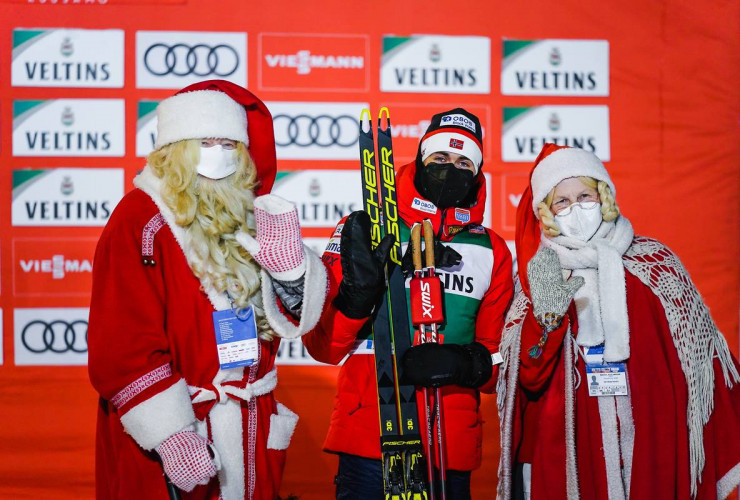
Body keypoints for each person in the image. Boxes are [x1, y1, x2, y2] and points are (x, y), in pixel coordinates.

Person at [88, 80, 328, 500]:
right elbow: (120, 342)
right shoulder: (142, 220)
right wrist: (171, 433)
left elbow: (294, 325)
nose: (218, 152)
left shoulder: (252, 217)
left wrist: (293, 273)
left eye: (229, 143)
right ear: (175, 148)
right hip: (183, 437)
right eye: (205, 140)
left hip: (249, 427)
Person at [496, 143, 740, 499]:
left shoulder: (655, 263)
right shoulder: (541, 273)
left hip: (653, 435)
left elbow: (703, 362)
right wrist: (545, 319)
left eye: (584, 194)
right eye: (561, 201)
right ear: (545, 211)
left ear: (604, 195)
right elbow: (528, 377)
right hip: (573, 444)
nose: (575, 207)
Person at [303, 108, 514, 498]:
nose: (451, 169)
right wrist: (355, 300)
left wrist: (468, 363)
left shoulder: (491, 250)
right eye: (439, 159)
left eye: (464, 161)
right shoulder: (366, 229)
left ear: (478, 173)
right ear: (419, 161)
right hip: (370, 434)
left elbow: (500, 359)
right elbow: (322, 347)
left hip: (449, 442)